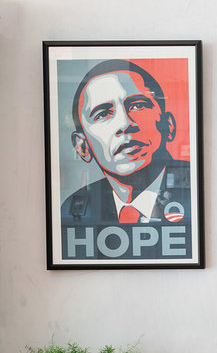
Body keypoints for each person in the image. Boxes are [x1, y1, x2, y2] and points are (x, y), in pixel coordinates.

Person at [61, 58, 191, 233]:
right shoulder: (73, 209)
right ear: (82, 146)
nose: (125, 123)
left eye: (138, 106)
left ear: (168, 125)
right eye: (102, 114)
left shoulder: (196, 194)